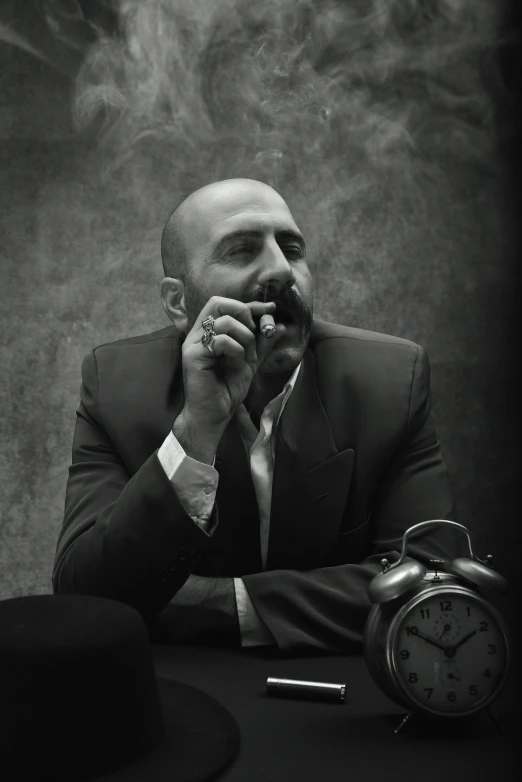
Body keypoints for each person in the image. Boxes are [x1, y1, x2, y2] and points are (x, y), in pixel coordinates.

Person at [53, 177, 459, 653]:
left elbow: (433, 585)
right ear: (178, 303)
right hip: (181, 702)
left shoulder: (391, 380)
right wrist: (195, 430)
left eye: (292, 248)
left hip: (343, 712)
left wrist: (217, 602)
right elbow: (85, 598)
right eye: (242, 250)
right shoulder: (116, 384)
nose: (283, 270)